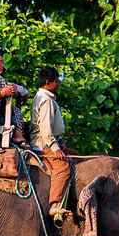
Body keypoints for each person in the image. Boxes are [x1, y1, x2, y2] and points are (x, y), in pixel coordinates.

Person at [29, 66, 75, 217]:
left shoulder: (43, 97)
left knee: (73, 154)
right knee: (63, 168)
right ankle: (55, 205)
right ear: (48, 83)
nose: (58, 84)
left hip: (48, 141)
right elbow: (45, 130)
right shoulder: (46, 100)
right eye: (56, 81)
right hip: (43, 143)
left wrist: (59, 141)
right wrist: (55, 148)